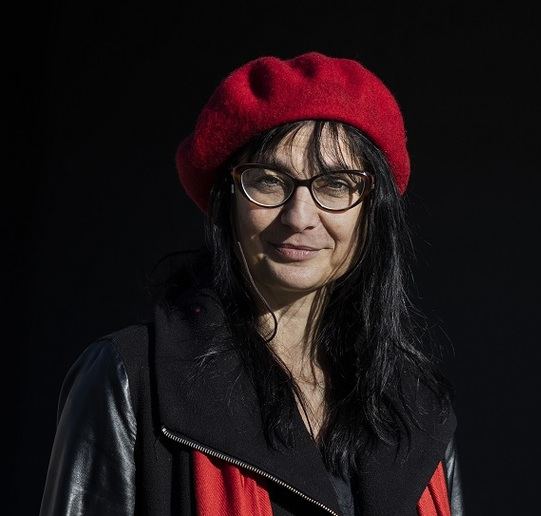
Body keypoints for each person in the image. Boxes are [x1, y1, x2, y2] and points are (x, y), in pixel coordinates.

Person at [39, 51, 464, 516]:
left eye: (336, 184)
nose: (299, 217)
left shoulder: (418, 409)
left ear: (372, 211)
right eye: (268, 181)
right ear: (229, 202)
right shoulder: (131, 378)